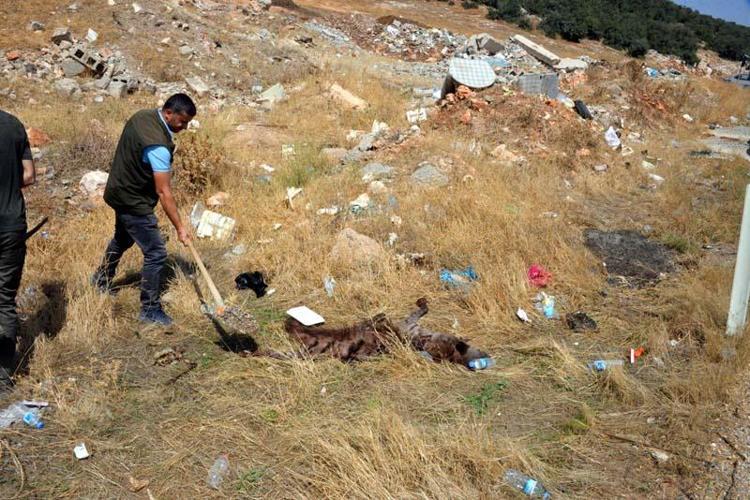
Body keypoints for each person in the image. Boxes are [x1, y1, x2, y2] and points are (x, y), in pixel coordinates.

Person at [92, 94, 195, 326]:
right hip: (132, 201)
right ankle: (150, 310)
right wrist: (180, 228)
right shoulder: (158, 146)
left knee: (122, 238)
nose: (184, 127)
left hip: (118, 190)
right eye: (182, 122)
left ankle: (100, 279)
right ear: (168, 113)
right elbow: (164, 192)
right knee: (156, 253)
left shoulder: (143, 116)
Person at [0, 110, 36, 390]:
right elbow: (29, 175)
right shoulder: (13, 124)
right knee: (4, 300)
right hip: (11, 224)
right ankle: (3, 376)